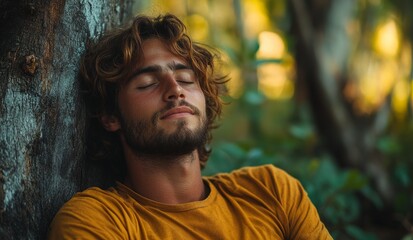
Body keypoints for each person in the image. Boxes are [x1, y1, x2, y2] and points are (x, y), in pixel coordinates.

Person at [48, 14, 332, 239]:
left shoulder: (272, 192)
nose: (175, 90)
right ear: (111, 116)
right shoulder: (96, 221)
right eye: (147, 84)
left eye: (185, 79)